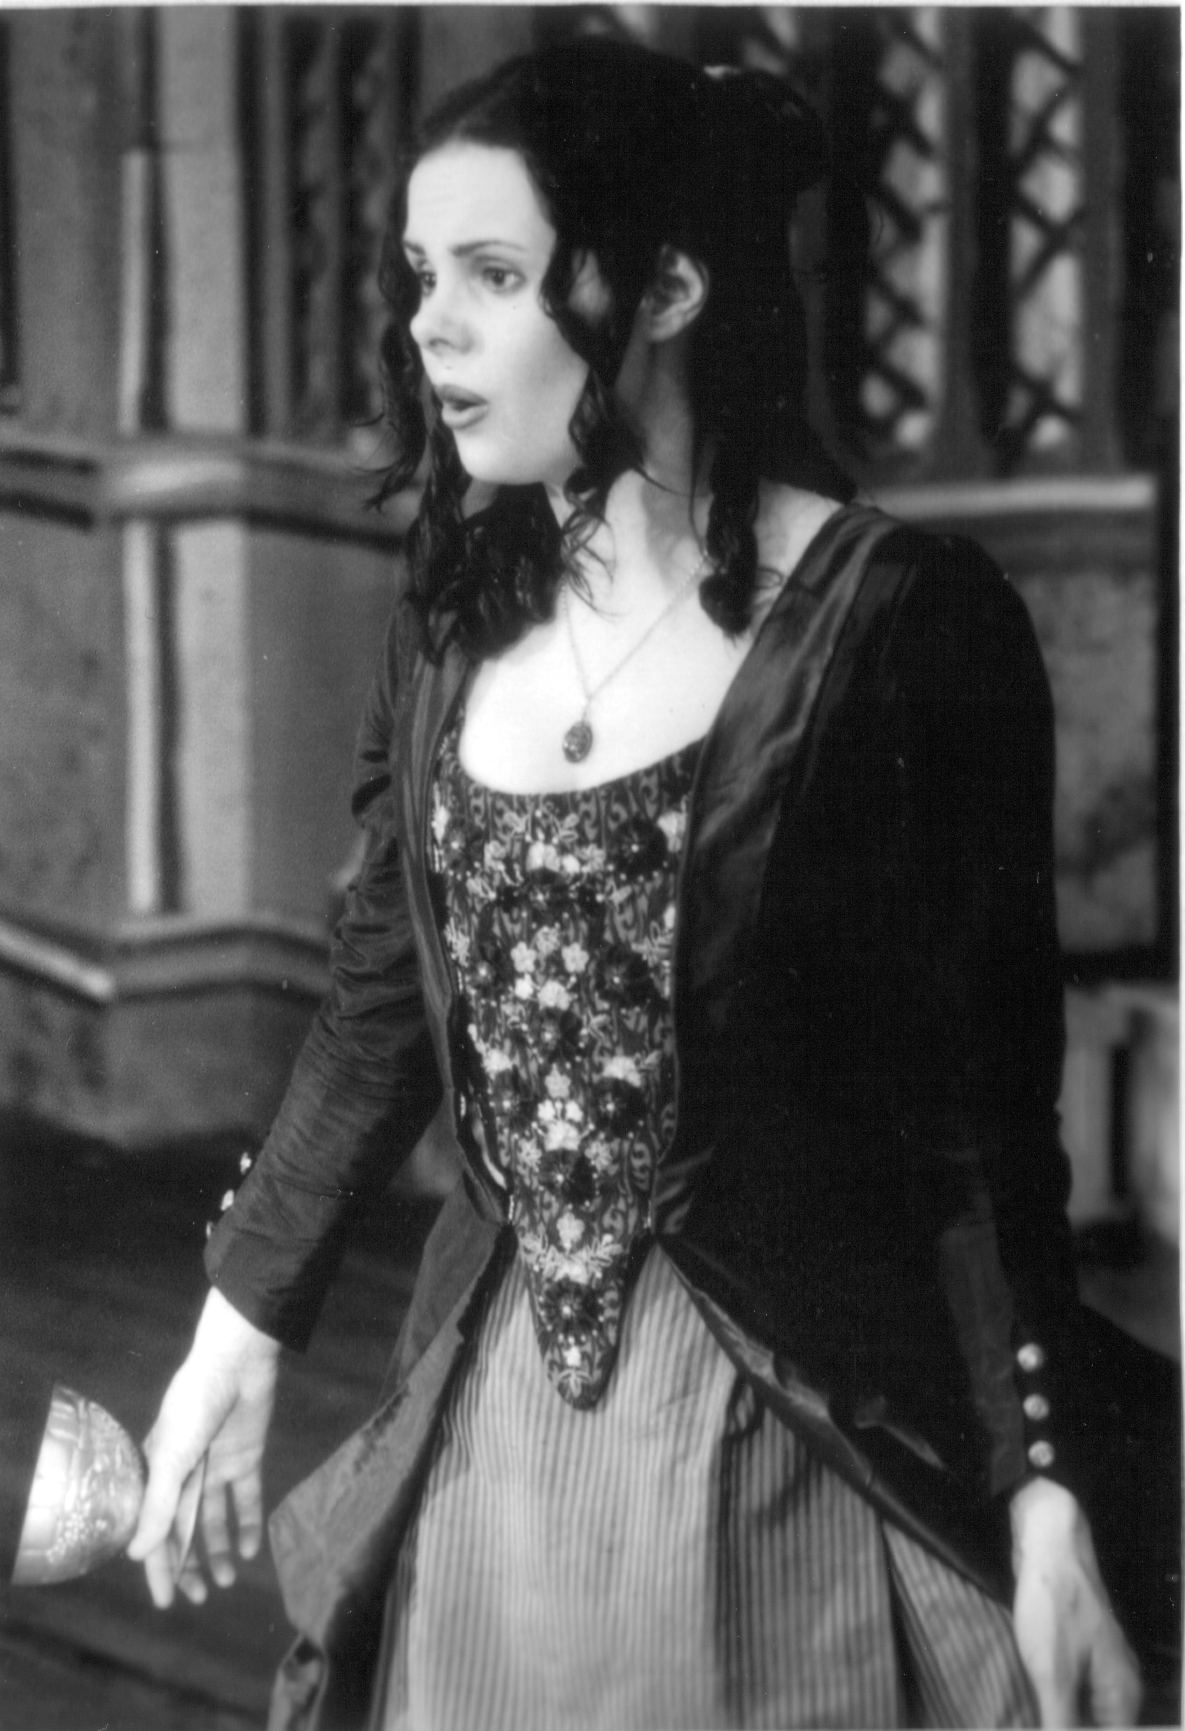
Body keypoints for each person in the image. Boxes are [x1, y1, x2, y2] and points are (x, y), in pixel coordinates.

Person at [128, 37, 1142, 1731]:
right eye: (421, 276)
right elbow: (379, 1008)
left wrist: (1044, 1496)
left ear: (665, 288)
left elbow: (977, 1121)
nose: (431, 327)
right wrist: (233, 1338)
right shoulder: (454, 622)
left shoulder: (900, 624)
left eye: (495, 274)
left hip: (784, 1437)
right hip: (498, 1441)